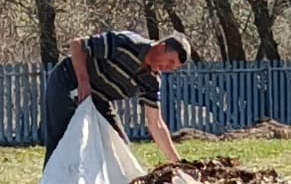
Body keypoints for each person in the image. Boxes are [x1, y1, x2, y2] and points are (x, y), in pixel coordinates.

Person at [40, 25, 189, 171]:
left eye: (174, 68)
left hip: (99, 98)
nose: (169, 69)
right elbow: (77, 45)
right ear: (162, 47)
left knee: (120, 149)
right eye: (170, 62)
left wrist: (177, 163)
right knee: (61, 143)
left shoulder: (151, 81)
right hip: (67, 81)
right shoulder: (126, 43)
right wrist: (83, 81)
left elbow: (156, 124)